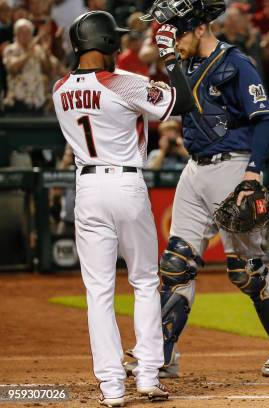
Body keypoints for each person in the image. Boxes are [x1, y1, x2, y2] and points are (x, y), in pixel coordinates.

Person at [125, 0, 269, 379]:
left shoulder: (236, 63)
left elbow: (263, 118)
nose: (172, 42)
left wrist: (253, 172)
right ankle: (162, 355)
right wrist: (171, 62)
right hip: (194, 168)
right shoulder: (188, 65)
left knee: (246, 269)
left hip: (232, 165)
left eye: (177, 33)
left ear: (199, 29)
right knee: (176, 264)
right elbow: (182, 103)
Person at [52, 10, 195, 406]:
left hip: (88, 187)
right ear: (107, 44)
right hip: (126, 182)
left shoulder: (60, 88)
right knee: (145, 281)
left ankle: (112, 387)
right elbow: (182, 101)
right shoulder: (124, 83)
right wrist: (169, 55)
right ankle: (148, 374)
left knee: (98, 290)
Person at [2, 18, 54, 113]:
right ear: (15, 34)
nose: (25, 35)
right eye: (22, 32)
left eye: (28, 32)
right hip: (17, 101)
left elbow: (48, 71)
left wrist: (46, 54)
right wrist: (28, 54)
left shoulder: (38, 49)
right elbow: (13, 68)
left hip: (37, 101)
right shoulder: (10, 49)